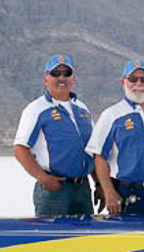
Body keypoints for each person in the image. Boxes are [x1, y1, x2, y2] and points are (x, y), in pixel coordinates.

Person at [12, 53, 96, 217]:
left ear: (73, 78)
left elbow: (92, 150)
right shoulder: (37, 109)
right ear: (46, 78)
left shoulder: (82, 109)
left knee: (84, 239)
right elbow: (20, 149)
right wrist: (43, 178)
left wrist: (99, 184)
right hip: (54, 190)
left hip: (82, 188)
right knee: (52, 239)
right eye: (55, 74)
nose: (61, 78)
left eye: (66, 73)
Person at [86, 59, 144, 215]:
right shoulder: (112, 115)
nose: (139, 83)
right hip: (126, 191)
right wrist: (109, 192)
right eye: (133, 79)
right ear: (123, 81)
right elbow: (99, 157)